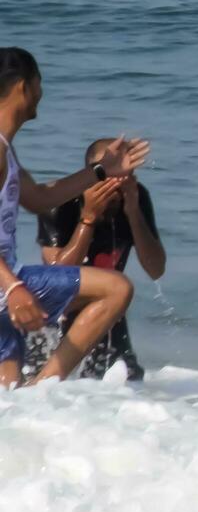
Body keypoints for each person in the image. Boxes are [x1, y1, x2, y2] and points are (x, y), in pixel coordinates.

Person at [0, 47, 149, 389]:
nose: (42, 93)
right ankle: (44, 389)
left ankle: (37, 395)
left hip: (5, 285)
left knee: (7, 399)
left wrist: (101, 170)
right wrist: (15, 288)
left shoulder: (5, 149)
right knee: (115, 288)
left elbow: (41, 199)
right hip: (6, 284)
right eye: (40, 83)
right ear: (24, 86)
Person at [23, 138, 166, 381]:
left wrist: (133, 212)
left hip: (106, 308)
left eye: (126, 174)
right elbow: (58, 275)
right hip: (58, 313)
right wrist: (88, 219)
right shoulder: (61, 203)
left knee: (125, 380)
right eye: (110, 174)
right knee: (35, 385)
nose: (117, 183)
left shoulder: (135, 198)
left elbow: (156, 269)